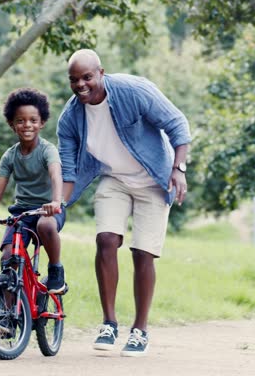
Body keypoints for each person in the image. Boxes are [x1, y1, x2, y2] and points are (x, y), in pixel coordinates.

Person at [58, 49, 190, 357]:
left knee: (143, 254)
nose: (81, 85)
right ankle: (109, 323)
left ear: (101, 72)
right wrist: (58, 205)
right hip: (114, 179)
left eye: (87, 77)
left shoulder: (134, 90)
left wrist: (178, 169)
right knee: (106, 239)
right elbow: (67, 169)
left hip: (154, 180)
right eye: (74, 80)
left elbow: (177, 124)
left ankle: (140, 330)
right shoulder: (70, 118)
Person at [0, 88, 67, 336]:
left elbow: (56, 175)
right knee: (7, 257)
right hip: (23, 212)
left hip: (48, 209)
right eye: (21, 121)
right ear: (12, 124)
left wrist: (56, 201)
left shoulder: (47, 150)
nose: (27, 125)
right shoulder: (10, 156)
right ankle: (5, 315)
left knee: (46, 225)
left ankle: (56, 270)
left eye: (33, 120)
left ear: (42, 123)